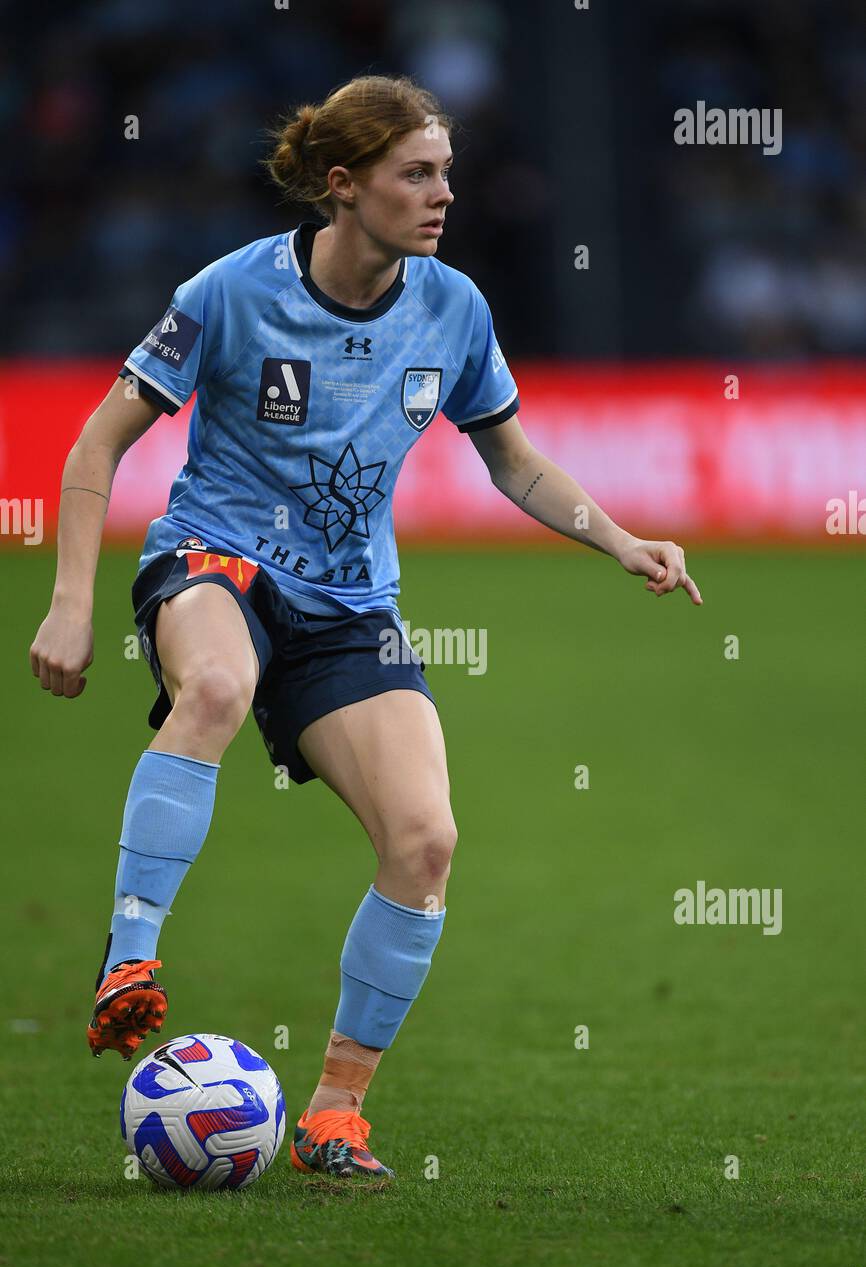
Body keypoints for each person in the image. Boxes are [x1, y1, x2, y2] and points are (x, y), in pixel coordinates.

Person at [29, 74, 701, 1181]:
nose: (442, 195)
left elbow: (513, 460)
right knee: (212, 689)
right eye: (416, 175)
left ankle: (335, 1113)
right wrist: (71, 601)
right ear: (343, 186)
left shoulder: (453, 305)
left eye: (446, 173)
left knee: (425, 842)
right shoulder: (230, 292)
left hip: (350, 606)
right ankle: (130, 956)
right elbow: (97, 444)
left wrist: (621, 539)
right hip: (217, 560)